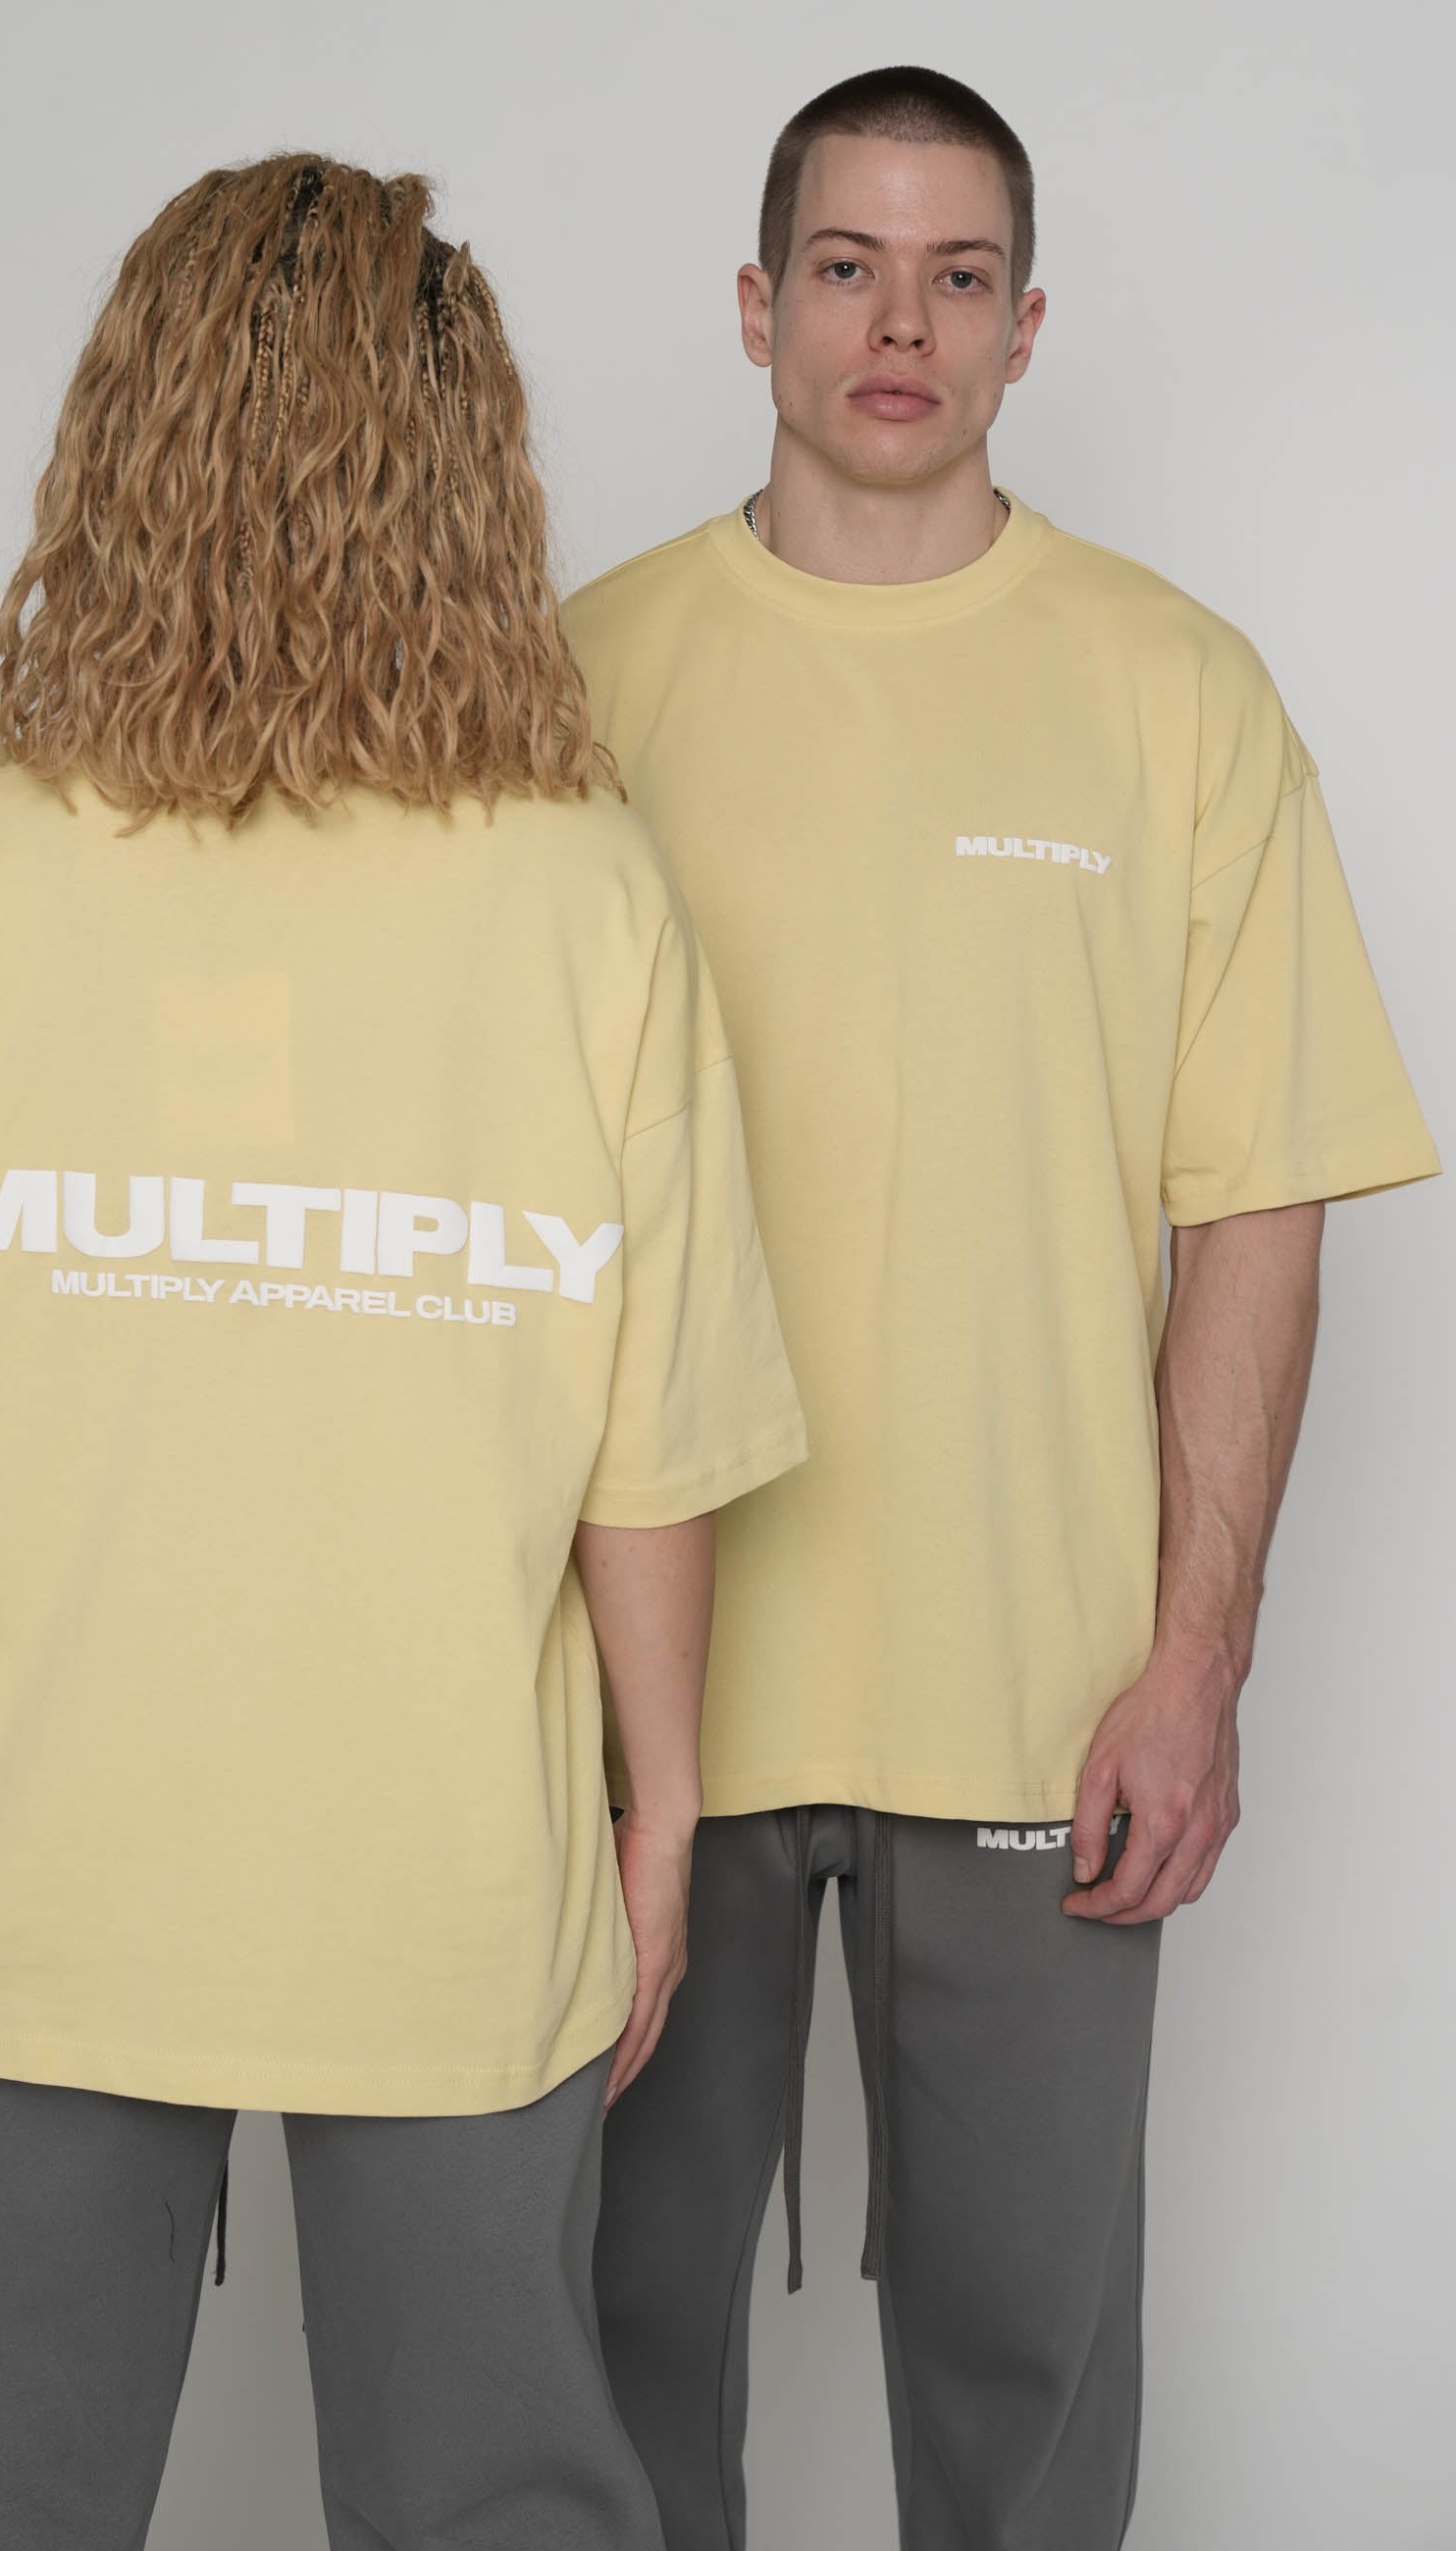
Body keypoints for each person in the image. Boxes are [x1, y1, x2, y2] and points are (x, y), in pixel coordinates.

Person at [0, 152, 807, 2551]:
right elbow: (650, 1458)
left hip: (38, 1858)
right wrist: (663, 1814)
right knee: (500, 2507)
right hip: (448, 1871)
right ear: (468, 459)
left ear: (134, 427)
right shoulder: (589, 891)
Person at [562, 65, 1439, 2551]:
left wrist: (1199, 1658)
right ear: (758, 303)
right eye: (849, 268)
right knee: (600, 2370)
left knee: (1029, 2404)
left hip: (1045, 1696)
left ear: (1028, 326)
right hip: (646, 1698)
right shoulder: (577, 682)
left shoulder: (1177, 693)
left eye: (958, 278)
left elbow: (1258, 1206)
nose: (900, 325)